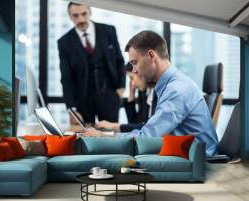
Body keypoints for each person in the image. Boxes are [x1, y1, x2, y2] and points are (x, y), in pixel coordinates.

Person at [82, 31, 219, 157]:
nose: (134, 70)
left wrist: (103, 137)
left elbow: (146, 138)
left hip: (199, 161)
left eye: (135, 63)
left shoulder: (176, 90)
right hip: (186, 154)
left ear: (151, 56)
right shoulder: (170, 85)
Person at [58, 2, 125, 126]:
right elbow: (66, 78)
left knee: (110, 136)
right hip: (82, 101)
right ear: (70, 17)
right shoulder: (64, 42)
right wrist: (72, 109)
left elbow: (119, 60)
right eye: (75, 16)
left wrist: (121, 88)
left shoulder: (108, 31)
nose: (81, 19)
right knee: (85, 138)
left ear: (90, 12)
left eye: (84, 14)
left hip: (109, 96)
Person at [95, 63, 157, 132]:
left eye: (132, 78)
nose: (132, 84)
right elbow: (136, 125)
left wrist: (115, 126)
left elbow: (145, 128)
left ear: (141, 73)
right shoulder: (145, 93)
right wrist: (131, 95)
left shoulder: (157, 94)